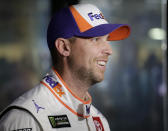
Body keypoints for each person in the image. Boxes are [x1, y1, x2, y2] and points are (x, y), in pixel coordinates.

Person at [0, 2, 130, 131]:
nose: (109, 50)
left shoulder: (99, 121)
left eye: (107, 39)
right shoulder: (27, 118)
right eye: (95, 39)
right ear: (64, 47)